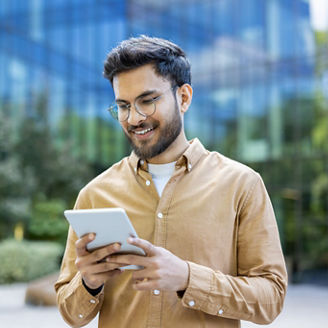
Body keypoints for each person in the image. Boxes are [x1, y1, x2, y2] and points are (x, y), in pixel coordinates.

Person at [55, 35, 287, 328]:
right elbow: (70, 314)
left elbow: (271, 299)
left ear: (184, 97)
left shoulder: (242, 185)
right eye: (123, 106)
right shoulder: (94, 194)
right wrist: (88, 282)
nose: (134, 118)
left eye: (148, 101)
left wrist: (188, 278)